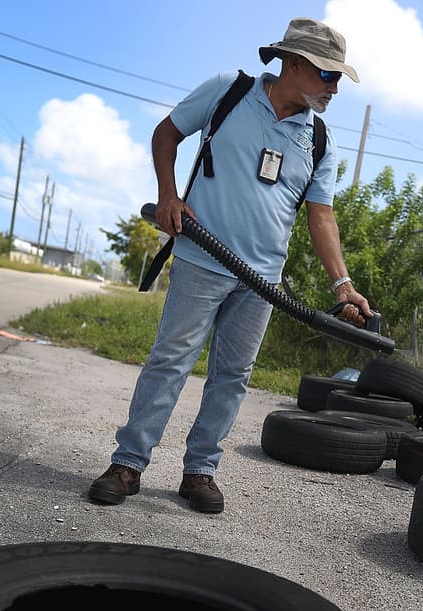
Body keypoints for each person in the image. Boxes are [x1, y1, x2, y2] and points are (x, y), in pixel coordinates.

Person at [88, 17, 371, 514]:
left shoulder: (319, 139)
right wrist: (169, 196)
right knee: (171, 361)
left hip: (261, 282)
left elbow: (321, 216)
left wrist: (342, 284)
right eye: (328, 75)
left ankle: (200, 471)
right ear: (294, 63)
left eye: (337, 79)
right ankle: (127, 464)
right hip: (202, 259)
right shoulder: (229, 91)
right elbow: (166, 134)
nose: (334, 88)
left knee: (232, 377)